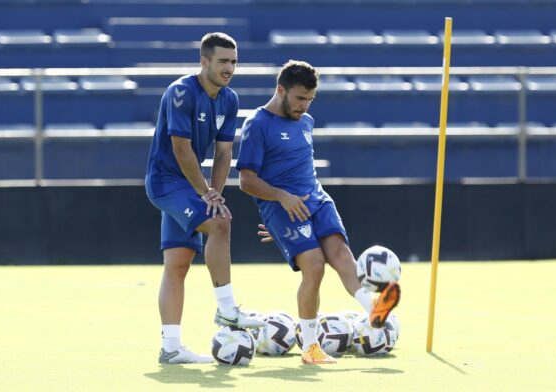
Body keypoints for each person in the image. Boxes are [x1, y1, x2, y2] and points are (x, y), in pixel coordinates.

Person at [236, 60, 401, 365]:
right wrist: (282, 200)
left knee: (340, 253)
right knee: (315, 265)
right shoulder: (257, 124)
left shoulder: (306, 121)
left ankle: (373, 307)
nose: (304, 106)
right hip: (282, 207)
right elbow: (246, 180)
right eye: (299, 98)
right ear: (280, 89)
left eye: (310, 99)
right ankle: (311, 347)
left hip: (317, 199)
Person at [145, 32, 264, 365]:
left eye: (234, 62)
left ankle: (170, 347)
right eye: (223, 61)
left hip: (190, 186)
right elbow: (181, 149)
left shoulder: (230, 99)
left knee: (178, 263)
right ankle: (227, 310)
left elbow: (224, 153)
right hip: (167, 183)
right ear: (204, 61)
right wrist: (205, 192)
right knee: (220, 223)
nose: (230, 68)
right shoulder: (180, 92)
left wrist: (216, 192)